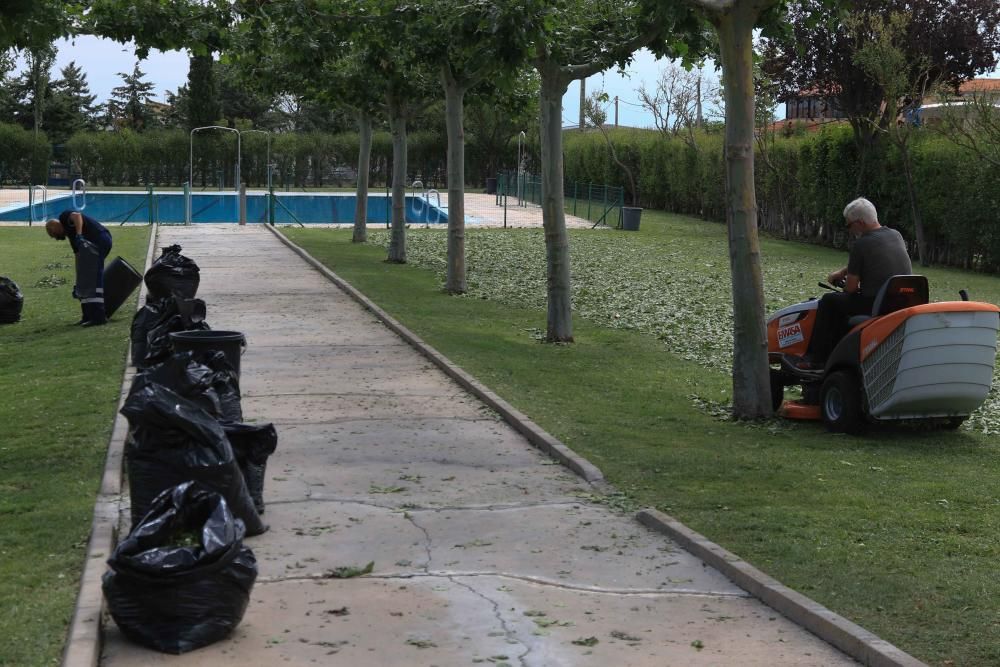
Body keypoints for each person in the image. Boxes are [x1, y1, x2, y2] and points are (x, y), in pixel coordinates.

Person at [802, 197, 912, 366]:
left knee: (828, 301)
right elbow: (875, 258)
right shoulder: (895, 234)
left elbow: (851, 289)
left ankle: (817, 359)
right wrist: (843, 271)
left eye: (849, 225)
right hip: (900, 301)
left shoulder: (861, 244)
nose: (849, 230)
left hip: (876, 304)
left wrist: (844, 280)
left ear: (860, 222)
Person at [45, 210, 113, 326]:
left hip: (100, 239)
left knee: (93, 278)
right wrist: (79, 279)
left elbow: (77, 216)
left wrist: (79, 234)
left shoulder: (64, 217)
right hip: (93, 244)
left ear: (54, 227)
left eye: (54, 235)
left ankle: (99, 317)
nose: (56, 238)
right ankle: (87, 316)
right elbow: (78, 257)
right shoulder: (73, 239)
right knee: (86, 279)